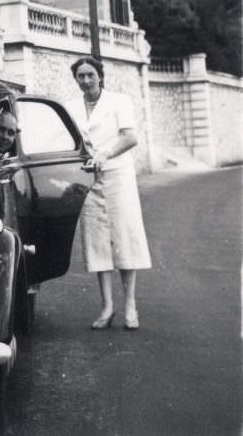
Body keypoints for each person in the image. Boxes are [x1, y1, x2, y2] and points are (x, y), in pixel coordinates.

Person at [69, 55, 151, 330]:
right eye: (81, 76)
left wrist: (105, 154)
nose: (86, 80)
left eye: (90, 75)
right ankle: (107, 307)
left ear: (100, 76)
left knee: (124, 237)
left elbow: (130, 137)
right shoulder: (72, 107)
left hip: (118, 176)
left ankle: (130, 305)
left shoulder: (118, 102)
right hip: (89, 181)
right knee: (97, 242)